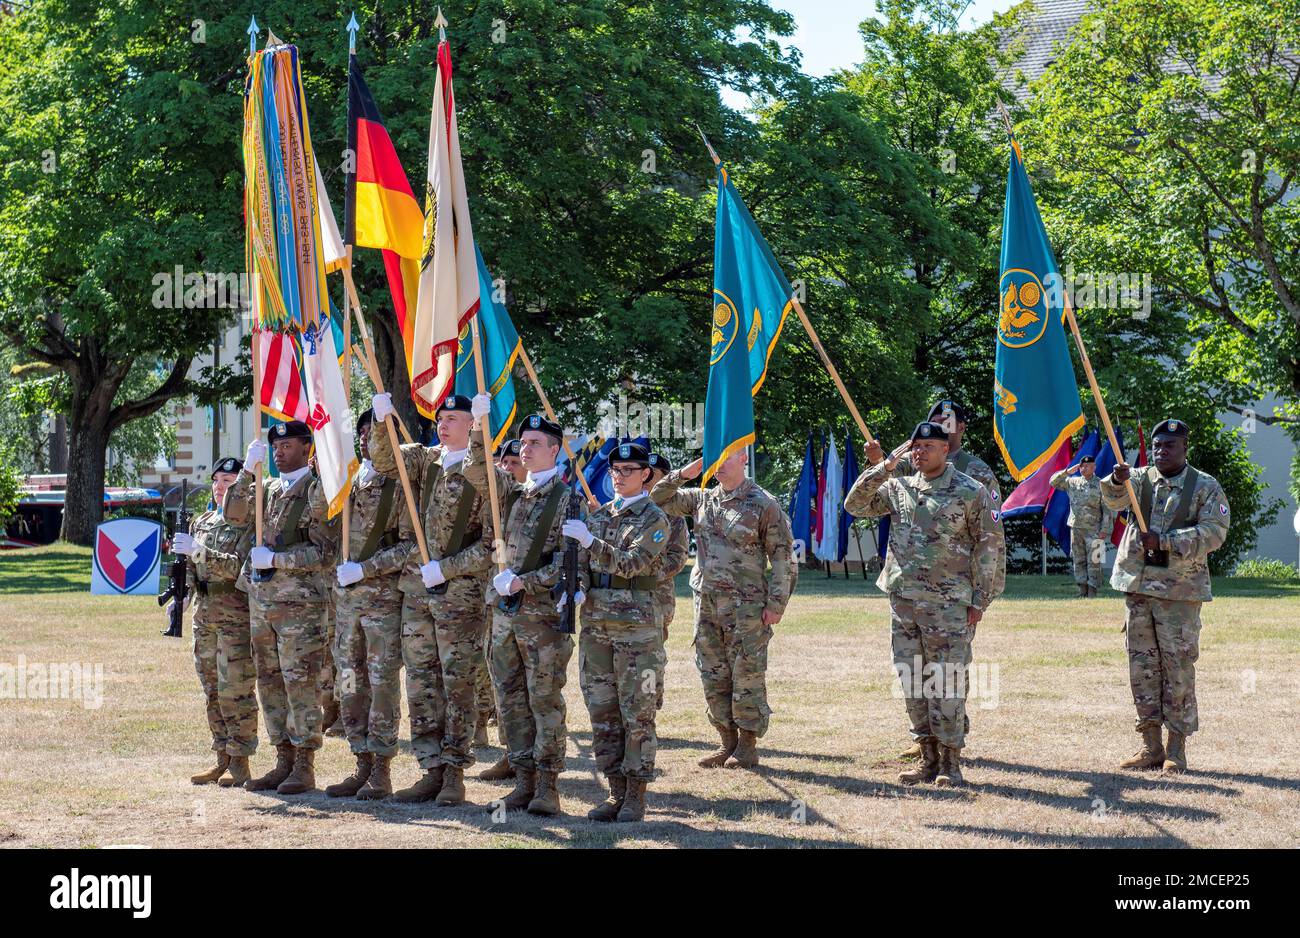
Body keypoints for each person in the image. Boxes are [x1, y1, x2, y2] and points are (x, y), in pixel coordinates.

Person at [844, 422, 1001, 787]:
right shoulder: (899, 487)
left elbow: (990, 546)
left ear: (946, 450)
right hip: (904, 603)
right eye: (915, 447)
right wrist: (883, 467)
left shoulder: (970, 491)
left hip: (948, 605)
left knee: (946, 682)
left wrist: (981, 599)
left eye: (928, 446)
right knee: (912, 680)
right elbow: (855, 504)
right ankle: (926, 758)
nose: (919, 453)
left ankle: (951, 764)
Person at [368, 390, 495, 805]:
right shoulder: (426, 460)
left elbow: (493, 545)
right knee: (421, 681)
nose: (443, 423)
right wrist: (380, 422)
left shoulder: (488, 472)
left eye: (454, 418)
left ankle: (455, 770)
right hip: (418, 591)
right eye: (440, 417)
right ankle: (430, 768)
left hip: (460, 593)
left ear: (473, 425)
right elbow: (386, 462)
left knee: (457, 682)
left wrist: (449, 567)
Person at [650, 448, 796, 770]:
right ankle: (726, 741)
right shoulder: (701, 499)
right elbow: (655, 499)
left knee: (746, 675)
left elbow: (784, 557)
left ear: (744, 457)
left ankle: (747, 745)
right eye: (714, 457)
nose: (719, 464)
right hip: (707, 604)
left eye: (726, 456)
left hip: (746, 608)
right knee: (713, 673)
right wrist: (683, 474)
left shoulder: (763, 504)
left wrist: (776, 605)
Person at [1103, 418, 1230, 773]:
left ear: (1185, 448)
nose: (1161, 451)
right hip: (1139, 588)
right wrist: (1116, 480)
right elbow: (1112, 500)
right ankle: (1150, 746)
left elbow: (1215, 533)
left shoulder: (1204, 486)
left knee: (1177, 668)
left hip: (1179, 592)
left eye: (1169, 446)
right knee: (1142, 668)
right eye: (1157, 446)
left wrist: (1167, 542)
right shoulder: (1139, 478)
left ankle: (1176, 748)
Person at [223, 422, 338, 794]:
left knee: (300, 683)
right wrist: (244, 470)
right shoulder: (268, 489)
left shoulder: (318, 493)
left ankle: (305, 763)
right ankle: (282, 758)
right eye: (275, 447)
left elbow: (326, 552)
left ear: (307, 447)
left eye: (287, 445)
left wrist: (277, 559)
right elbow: (233, 515)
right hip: (263, 605)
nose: (279, 452)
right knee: (270, 682)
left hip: (301, 607)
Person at [565, 442, 671, 822]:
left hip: (638, 632)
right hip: (596, 627)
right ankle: (615, 791)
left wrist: (591, 542)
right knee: (602, 711)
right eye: (616, 470)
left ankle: (636, 794)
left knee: (637, 712)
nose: (620, 475)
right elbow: (581, 562)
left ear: (645, 475)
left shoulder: (655, 519)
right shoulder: (600, 516)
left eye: (628, 470)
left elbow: (631, 563)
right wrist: (575, 586)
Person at [484, 414, 575, 815]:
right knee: (510, 702)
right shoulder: (514, 496)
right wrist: (478, 426)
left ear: (554, 450)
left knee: (544, 701)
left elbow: (571, 562)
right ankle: (523, 781)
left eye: (535, 442)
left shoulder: (567, 499)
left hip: (542, 620)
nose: (525, 448)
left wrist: (524, 581)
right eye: (523, 442)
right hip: (506, 618)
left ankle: (548, 786)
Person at [324, 408, 407, 799]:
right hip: (346, 608)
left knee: (382, 684)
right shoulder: (345, 482)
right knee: (350, 683)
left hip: (381, 604)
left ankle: (382, 769)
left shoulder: (400, 484)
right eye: (361, 434)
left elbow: (411, 546)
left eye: (372, 433)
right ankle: (360, 761)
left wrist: (367, 569)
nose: (364, 439)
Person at [173, 457, 256, 787]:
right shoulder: (202, 522)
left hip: (235, 617)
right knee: (211, 691)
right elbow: (191, 571)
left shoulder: (248, 523)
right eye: (217, 481)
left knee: (236, 690)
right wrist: (181, 591)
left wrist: (199, 552)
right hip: (204, 617)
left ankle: (241, 761)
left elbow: (240, 568)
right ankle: (221, 756)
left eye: (229, 482)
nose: (221, 488)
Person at [647, 452, 689, 711]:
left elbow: (678, 557)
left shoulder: (673, 515)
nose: (647, 478)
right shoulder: (628, 508)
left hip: (657, 597)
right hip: (625, 599)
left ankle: (650, 698)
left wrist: (644, 572)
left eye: (653, 474)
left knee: (652, 653)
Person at [1050, 454, 1111, 597]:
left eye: (1088, 466)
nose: (1084, 468)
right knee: (1078, 560)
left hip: (1095, 529)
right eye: (1082, 466)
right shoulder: (1073, 482)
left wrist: (1105, 529)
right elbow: (1052, 482)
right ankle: (1082, 590)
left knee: (1095, 560)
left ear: (1094, 467)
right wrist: (1067, 472)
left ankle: (1092, 591)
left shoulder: (1102, 485)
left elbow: (1108, 509)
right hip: (1076, 528)